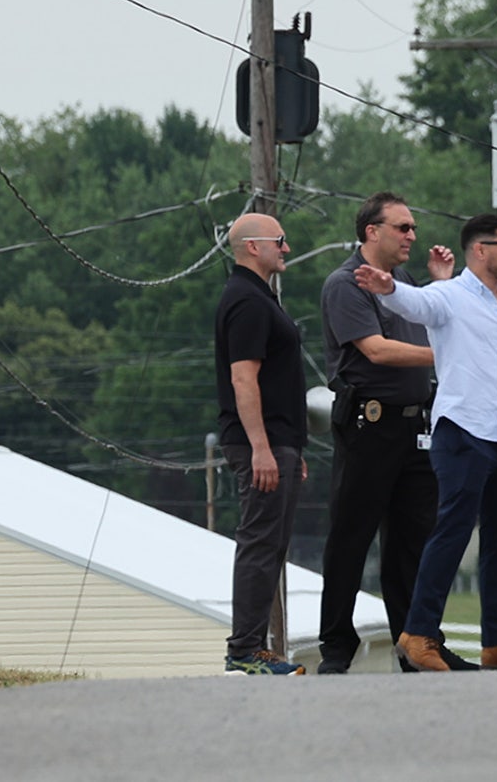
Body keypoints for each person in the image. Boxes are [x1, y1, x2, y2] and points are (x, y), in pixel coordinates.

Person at [354, 213, 497, 671]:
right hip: (464, 434)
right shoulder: (450, 296)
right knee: (451, 533)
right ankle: (418, 633)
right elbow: (415, 304)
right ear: (480, 250)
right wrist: (388, 288)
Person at [317, 192, 471, 673]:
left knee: (413, 546)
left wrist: (441, 286)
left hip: (414, 429)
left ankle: (420, 646)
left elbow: (431, 325)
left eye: (413, 227)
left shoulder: (401, 282)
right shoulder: (346, 285)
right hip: (370, 425)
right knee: (351, 538)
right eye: (402, 227)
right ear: (371, 232)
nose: (412, 235)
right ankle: (336, 651)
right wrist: (448, 357)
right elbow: (377, 351)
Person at [213, 213, 308, 675]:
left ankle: (254, 646)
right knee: (260, 541)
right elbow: (242, 378)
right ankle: (246, 648)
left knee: (272, 544)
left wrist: (291, 448)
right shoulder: (247, 301)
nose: (286, 248)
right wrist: (262, 449)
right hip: (260, 443)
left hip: (278, 442)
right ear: (254, 247)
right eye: (280, 241)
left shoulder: (259, 297)